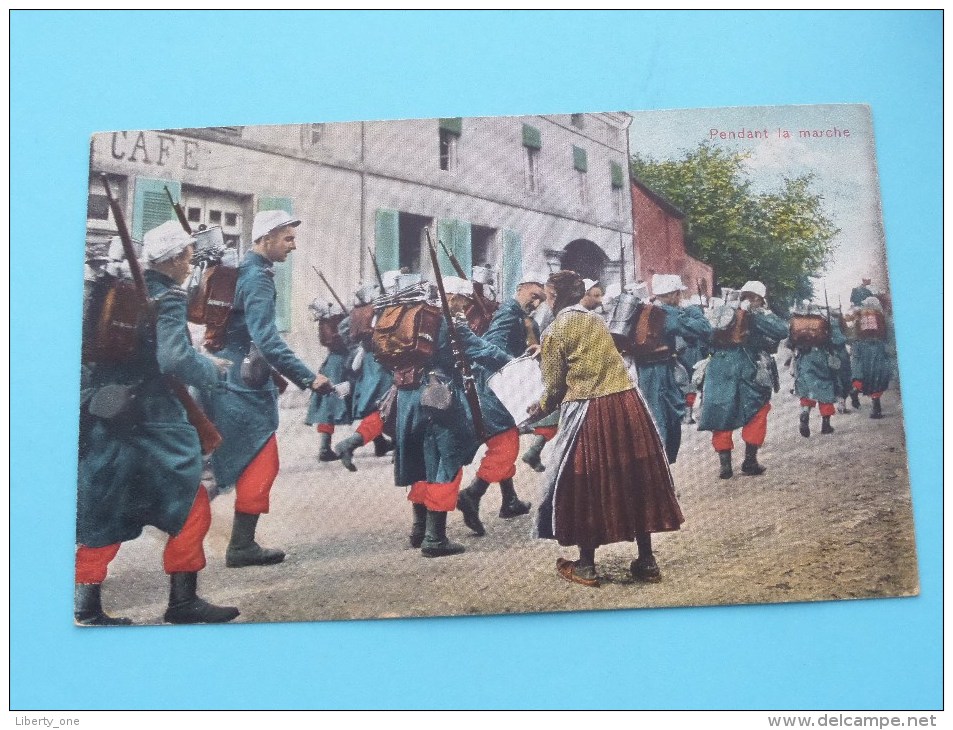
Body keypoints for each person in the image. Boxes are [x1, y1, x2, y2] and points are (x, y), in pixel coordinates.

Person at [75, 220, 239, 625]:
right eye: (187, 256)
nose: (190, 264)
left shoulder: (115, 291)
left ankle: (85, 606)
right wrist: (212, 370)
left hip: (105, 410)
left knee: (105, 509)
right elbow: (175, 359)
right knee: (191, 505)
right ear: (178, 258)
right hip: (155, 419)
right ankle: (183, 602)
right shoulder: (165, 296)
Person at [529, 271, 683, 587]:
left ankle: (586, 566)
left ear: (554, 297)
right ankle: (647, 560)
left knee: (584, 482)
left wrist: (540, 406)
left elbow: (556, 386)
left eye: (547, 294)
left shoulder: (555, 331)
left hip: (589, 409)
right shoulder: (597, 321)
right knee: (634, 477)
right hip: (627, 404)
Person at [204, 210, 330, 568]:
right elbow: (268, 340)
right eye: (287, 239)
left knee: (236, 460)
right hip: (243, 383)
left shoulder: (241, 271)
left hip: (226, 376)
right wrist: (309, 377)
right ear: (266, 238)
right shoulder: (257, 278)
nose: (293, 246)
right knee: (260, 458)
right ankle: (240, 546)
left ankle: (240, 543)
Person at [392, 283, 511, 557]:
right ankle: (435, 538)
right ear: (454, 297)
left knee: (421, 464)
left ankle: (418, 529)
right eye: (465, 299)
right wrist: (511, 362)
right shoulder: (448, 321)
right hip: (439, 397)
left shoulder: (416, 316)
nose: (466, 304)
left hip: (408, 397)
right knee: (446, 462)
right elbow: (481, 350)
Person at [450, 277, 532, 536]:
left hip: (476, 386)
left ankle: (509, 500)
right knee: (506, 445)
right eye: (533, 293)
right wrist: (513, 364)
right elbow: (490, 348)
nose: (536, 300)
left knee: (503, 440)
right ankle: (472, 495)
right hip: (488, 387)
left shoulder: (506, 311)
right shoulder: (507, 313)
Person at [697, 281, 788, 479]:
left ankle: (725, 465)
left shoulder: (717, 311)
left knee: (720, 412)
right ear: (757, 298)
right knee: (757, 409)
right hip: (747, 365)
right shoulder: (753, 315)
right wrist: (764, 313)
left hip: (717, 367)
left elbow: (703, 338)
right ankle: (750, 461)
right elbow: (782, 330)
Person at [636, 274, 712, 464]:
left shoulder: (645, 309)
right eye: (678, 294)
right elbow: (703, 329)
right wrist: (694, 311)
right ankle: (658, 478)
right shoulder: (667, 314)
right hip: (659, 372)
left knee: (657, 419)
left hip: (642, 371)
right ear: (673, 294)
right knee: (661, 422)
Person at [333, 279, 397, 471]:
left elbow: (347, 332)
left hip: (369, 361)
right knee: (388, 406)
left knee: (384, 408)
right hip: (381, 363)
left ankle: (383, 445)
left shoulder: (358, 312)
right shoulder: (375, 311)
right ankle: (350, 444)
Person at [304, 299, 352, 461]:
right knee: (330, 405)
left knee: (365, 401)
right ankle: (325, 448)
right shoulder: (331, 321)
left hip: (335, 361)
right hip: (340, 362)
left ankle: (379, 441)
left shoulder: (335, 319)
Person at [790, 308, 841, 437]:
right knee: (825, 386)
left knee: (807, 389)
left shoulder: (797, 323)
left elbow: (789, 342)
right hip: (820, 357)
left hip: (803, 357)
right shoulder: (823, 321)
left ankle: (805, 413)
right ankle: (826, 424)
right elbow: (834, 340)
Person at [849, 296, 892, 419]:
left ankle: (855, 390)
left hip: (862, 349)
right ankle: (875, 409)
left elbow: (854, 334)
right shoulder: (881, 316)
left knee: (866, 376)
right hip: (878, 348)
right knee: (878, 376)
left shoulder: (859, 315)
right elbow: (887, 333)